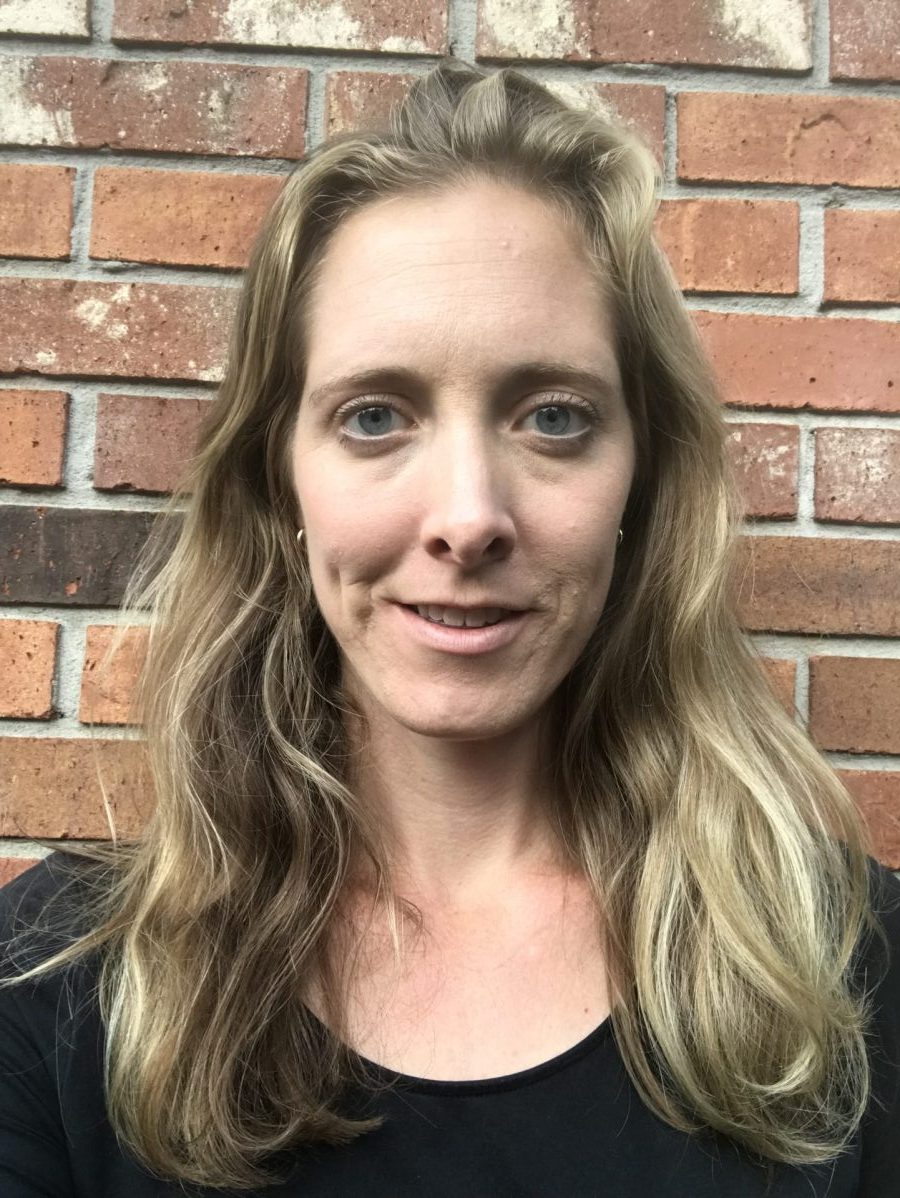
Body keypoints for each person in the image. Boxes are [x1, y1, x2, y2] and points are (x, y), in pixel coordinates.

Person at [0, 58, 898, 1198]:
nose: (470, 516)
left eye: (555, 416)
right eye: (375, 416)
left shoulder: (850, 971)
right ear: (280, 482)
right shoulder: (52, 988)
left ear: (646, 479)